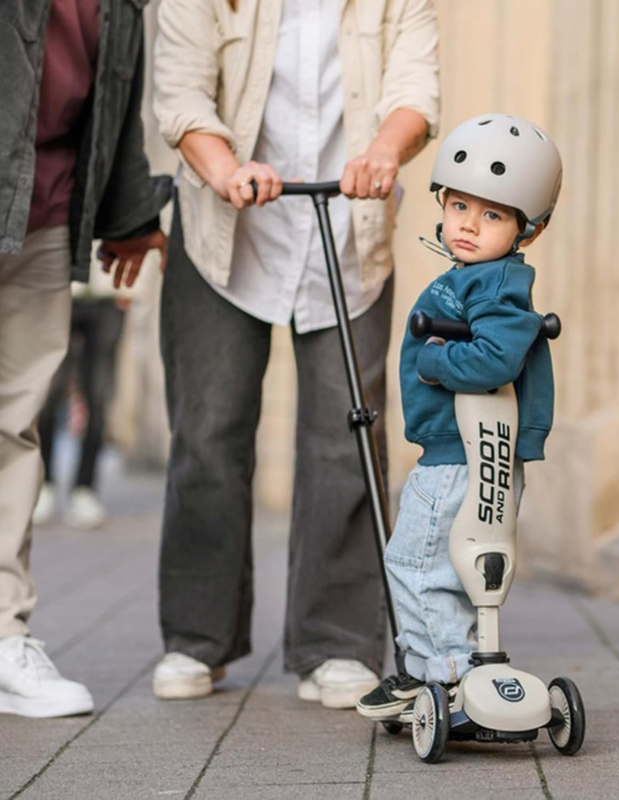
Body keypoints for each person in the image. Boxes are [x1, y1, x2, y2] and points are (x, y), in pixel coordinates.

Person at [151, 0, 440, 706]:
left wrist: (383, 152)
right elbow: (181, 92)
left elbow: (416, 90)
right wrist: (222, 169)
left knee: (348, 438)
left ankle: (336, 644)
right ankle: (197, 639)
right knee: (209, 435)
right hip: (227, 229)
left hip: (348, 230)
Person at [356, 114, 562, 719]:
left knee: (420, 563)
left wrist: (437, 358)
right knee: (467, 565)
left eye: (494, 215)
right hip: (477, 452)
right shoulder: (482, 277)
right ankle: (460, 667)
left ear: (531, 227)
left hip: (459, 456)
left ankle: (437, 676)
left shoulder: (494, 285)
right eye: (461, 206)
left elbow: (496, 357)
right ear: (441, 202)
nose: (470, 224)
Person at [0, 0, 169, 718]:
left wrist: (130, 212)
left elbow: (119, 93)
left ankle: (3, 637)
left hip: (41, 213)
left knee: (13, 425)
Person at [34, 282, 131, 530]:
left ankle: (85, 490)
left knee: (98, 398)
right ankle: (44, 484)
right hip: (60, 287)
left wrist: (133, 289)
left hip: (110, 291)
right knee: (47, 394)